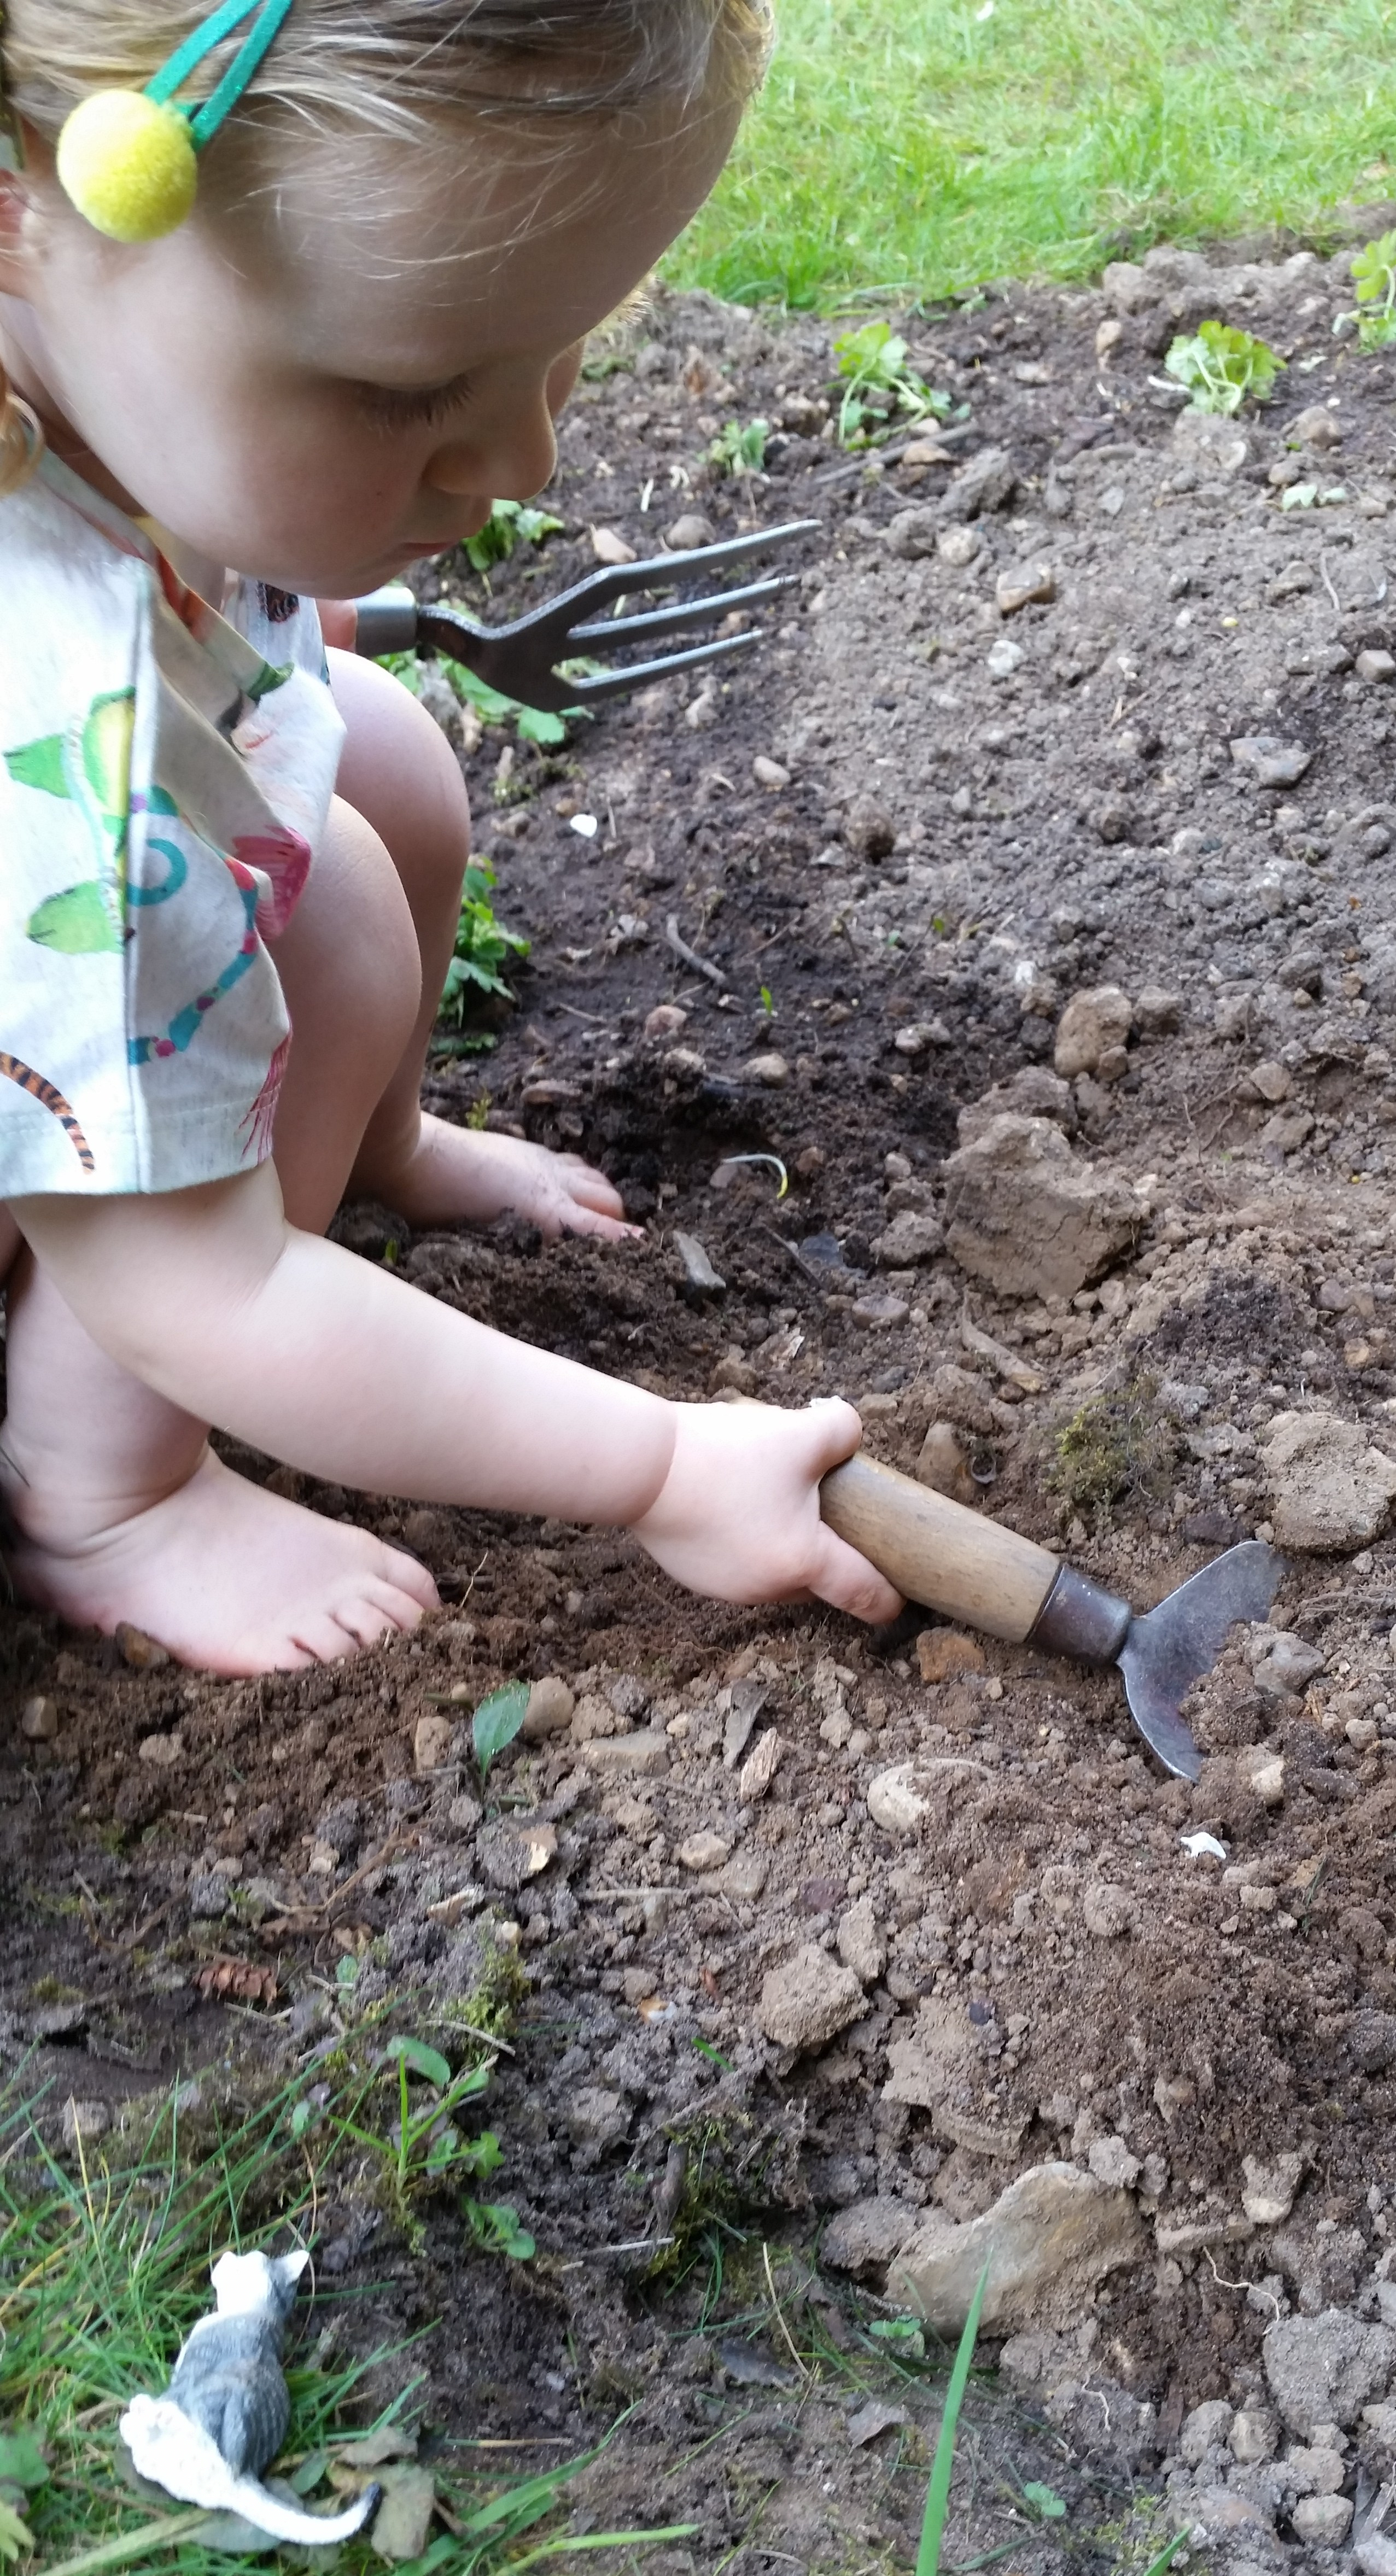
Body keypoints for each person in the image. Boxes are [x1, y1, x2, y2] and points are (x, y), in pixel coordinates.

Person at [0, 0, 901, 1677]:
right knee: (332, 909)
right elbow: (198, 1290)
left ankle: (380, 1147)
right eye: (411, 391)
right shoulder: (48, 740)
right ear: (29, 213)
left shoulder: (87, 374)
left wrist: (274, 612)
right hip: (96, 1183)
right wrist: (658, 1462)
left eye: (564, 352)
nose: (525, 459)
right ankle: (101, 1489)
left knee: (383, 755)